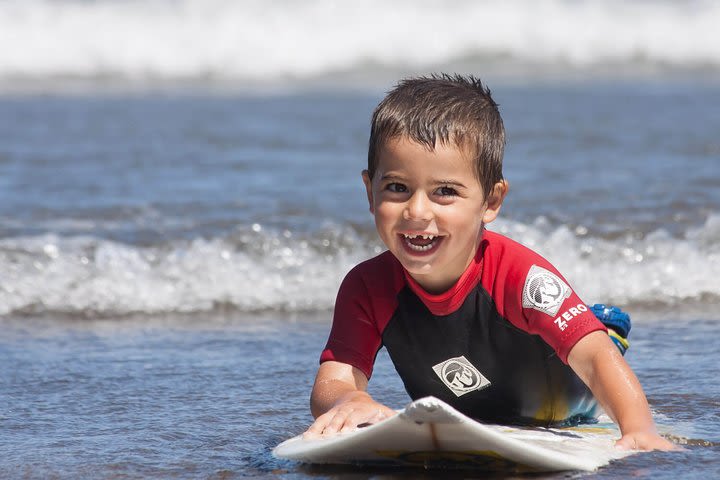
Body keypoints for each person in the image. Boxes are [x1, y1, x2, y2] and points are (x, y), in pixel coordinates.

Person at [306, 74, 675, 451]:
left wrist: (638, 429)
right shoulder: (367, 288)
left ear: (491, 201)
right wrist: (349, 401)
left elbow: (596, 359)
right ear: (370, 192)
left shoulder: (519, 275)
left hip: (571, 392)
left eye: (445, 191)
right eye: (397, 188)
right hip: (484, 413)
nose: (416, 210)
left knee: (597, 338)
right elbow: (334, 381)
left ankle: (599, 321)